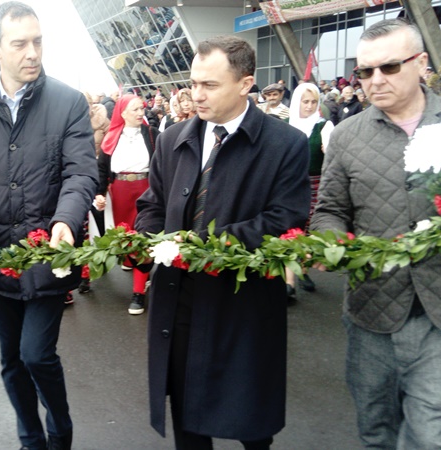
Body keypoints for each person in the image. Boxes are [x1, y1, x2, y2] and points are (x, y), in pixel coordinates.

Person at [134, 35, 310, 449]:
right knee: (188, 421)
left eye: (209, 85)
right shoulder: (171, 139)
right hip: (180, 299)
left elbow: (284, 218)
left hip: (245, 306)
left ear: (245, 83)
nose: (196, 95)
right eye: (193, 83)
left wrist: (199, 247)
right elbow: (151, 205)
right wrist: (151, 240)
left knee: (251, 420)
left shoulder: (285, 144)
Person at [0, 3, 97, 449]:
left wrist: (66, 218)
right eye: (20, 44)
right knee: (11, 359)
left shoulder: (67, 101)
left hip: (49, 252)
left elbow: (80, 172)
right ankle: (31, 438)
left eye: (38, 41)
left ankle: (60, 429)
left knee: (36, 354)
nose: (32, 52)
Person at [311, 18, 441, 449]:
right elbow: (330, 210)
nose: (375, 80)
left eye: (389, 67)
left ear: (420, 63)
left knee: (429, 434)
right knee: (376, 429)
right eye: (365, 71)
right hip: (372, 311)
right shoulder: (347, 136)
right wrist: (330, 242)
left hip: (437, 313)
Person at [94, 94, 159, 315]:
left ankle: (138, 292)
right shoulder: (111, 137)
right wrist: (99, 193)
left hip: (146, 189)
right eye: (135, 109)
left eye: (142, 108)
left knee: (143, 236)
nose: (141, 113)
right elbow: (102, 168)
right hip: (120, 191)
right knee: (125, 233)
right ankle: (133, 263)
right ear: (122, 113)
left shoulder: (152, 134)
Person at [286, 83, 334, 294]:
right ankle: (289, 281)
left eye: (314, 102)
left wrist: (328, 149)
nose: (309, 106)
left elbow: (333, 152)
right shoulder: (285, 125)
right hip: (289, 183)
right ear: (297, 102)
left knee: (306, 229)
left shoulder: (324, 126)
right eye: (305, 101)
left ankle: (303, 268)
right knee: (289, 228)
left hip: (314, 183)